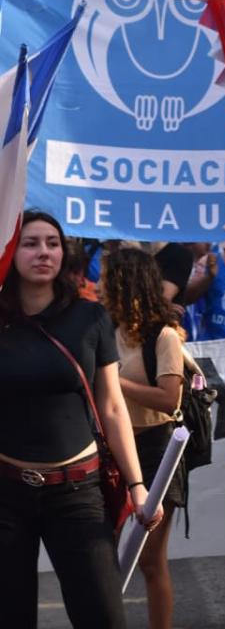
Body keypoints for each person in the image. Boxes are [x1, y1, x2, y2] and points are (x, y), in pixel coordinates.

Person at [0, 209, 160, 629]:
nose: (43, 253)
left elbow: (111, 406)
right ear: (11, 252)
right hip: (6, 495)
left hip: (77, 494)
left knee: (103, 617)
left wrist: (138, 486)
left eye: (52, 243)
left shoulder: (90, 318)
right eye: (30, 243)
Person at [102, 246, 189, 629]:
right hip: (110, 450)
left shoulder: (164, 336)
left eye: (107, 280)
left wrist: (114, 383)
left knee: (151, 560)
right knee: (104, 561)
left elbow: (169, 399)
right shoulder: (101, 330)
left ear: (125, 284)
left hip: (156, 451)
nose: (100, 287)